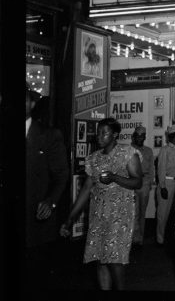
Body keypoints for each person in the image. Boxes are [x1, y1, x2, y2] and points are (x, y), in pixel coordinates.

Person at [60, 117, 142, 290]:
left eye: (104, 133)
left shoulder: (128, 153)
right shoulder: (93, 159)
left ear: (115, 135)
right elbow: (85, 192)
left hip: (120, 213)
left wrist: (114, 177)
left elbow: (137, 182)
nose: (100, 136)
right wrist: (69, 220)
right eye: (98, 132)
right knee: (99, 259)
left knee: (114, 258)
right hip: (98, 213)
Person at [25, 86, 69, 288]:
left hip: (36, 223)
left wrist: (50, 201)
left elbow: (61, 176)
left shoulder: (49, 136)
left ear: (31, 104)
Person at [156, 124, 175, 245]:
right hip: (167, 183)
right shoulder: (165, 150)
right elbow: (161, 169)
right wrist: (162, 187)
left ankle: (168, 237)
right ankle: (160, 239)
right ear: (173, 136)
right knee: (163, 213)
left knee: (172, 212)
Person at [131, 125, 154, 246]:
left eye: (142, 136)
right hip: (133, 182)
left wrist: (150, 183)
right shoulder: (129, 149)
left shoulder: (149, 151)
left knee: (142, 212)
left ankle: (140, 238)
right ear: (134, 136)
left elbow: (151, 168)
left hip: (144, 183)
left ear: (145, 137)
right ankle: (134, 237)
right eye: (138, 135)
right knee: (134, 212)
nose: (140, 138)